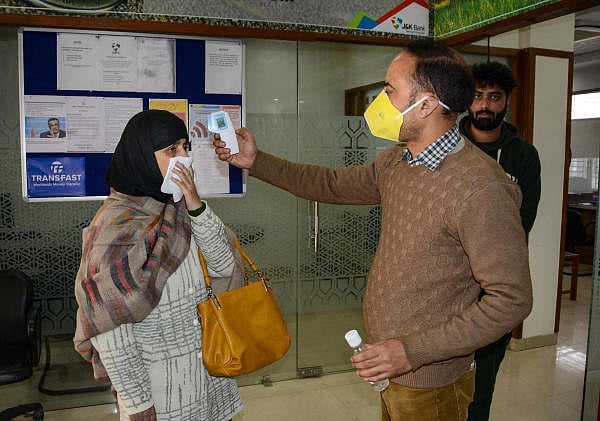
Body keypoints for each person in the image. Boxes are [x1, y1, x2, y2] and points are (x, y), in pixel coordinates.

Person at [214, 39, 533, 421]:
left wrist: (410, 351)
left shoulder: (480, 187)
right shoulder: (397, 163)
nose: (379, 103)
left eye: (389, 91)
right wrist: (255, 161)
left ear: (427, 104)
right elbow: (329, 184)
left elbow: (511, 300)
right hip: (389, 364)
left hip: (429, 381)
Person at [73, 109, 243, 421]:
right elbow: (109, 327)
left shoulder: (181, 210)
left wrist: (195, 205)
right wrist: (138, 405)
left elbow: (224, 266)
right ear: (142, 156)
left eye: (186, 147)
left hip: (210, 373)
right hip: (161, 392)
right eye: (171, 150)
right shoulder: (115, 226)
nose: (184, 158)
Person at [458, 61, 541, 421]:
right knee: (441, 376)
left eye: (494, 97)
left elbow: (522, 224)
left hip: (494, 287)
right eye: (477, 96)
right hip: (444, 284)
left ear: (506, 101)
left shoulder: (524, 156)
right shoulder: (447, 147)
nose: (485, 106)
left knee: (483, 380)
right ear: (465, 99)